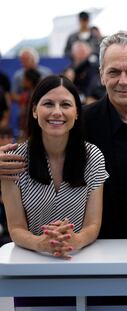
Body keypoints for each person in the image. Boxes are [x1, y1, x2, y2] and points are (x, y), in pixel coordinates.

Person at [0, 31, 127, 241]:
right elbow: (43, 148)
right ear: (101, 75)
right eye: (114, 72)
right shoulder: (80, 120)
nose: (123, 80)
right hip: (101, 244)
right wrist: (5, 161)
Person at [1, 75, 108, 259]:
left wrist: (76, 240)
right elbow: (16, 228)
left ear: (76, 112)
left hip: (79, 259)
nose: (57, 112)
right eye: (48, 104)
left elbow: (93, 224)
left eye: (65, 105)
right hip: (31, 260)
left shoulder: (93, 157)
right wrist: (41, 244)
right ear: (34, 110)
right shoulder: (13, 161)